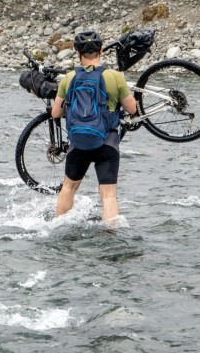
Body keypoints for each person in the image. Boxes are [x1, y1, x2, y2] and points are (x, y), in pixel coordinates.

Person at [51, 30, 137, 225]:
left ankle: (58, 227)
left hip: (78, 143)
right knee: (108, 196)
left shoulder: (69, 78)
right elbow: (131, 109)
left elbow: (56, 113)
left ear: (78, 53)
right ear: (101, 51)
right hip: (107, 143)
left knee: (68, 188)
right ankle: (110, 236)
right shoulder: (115, 77)